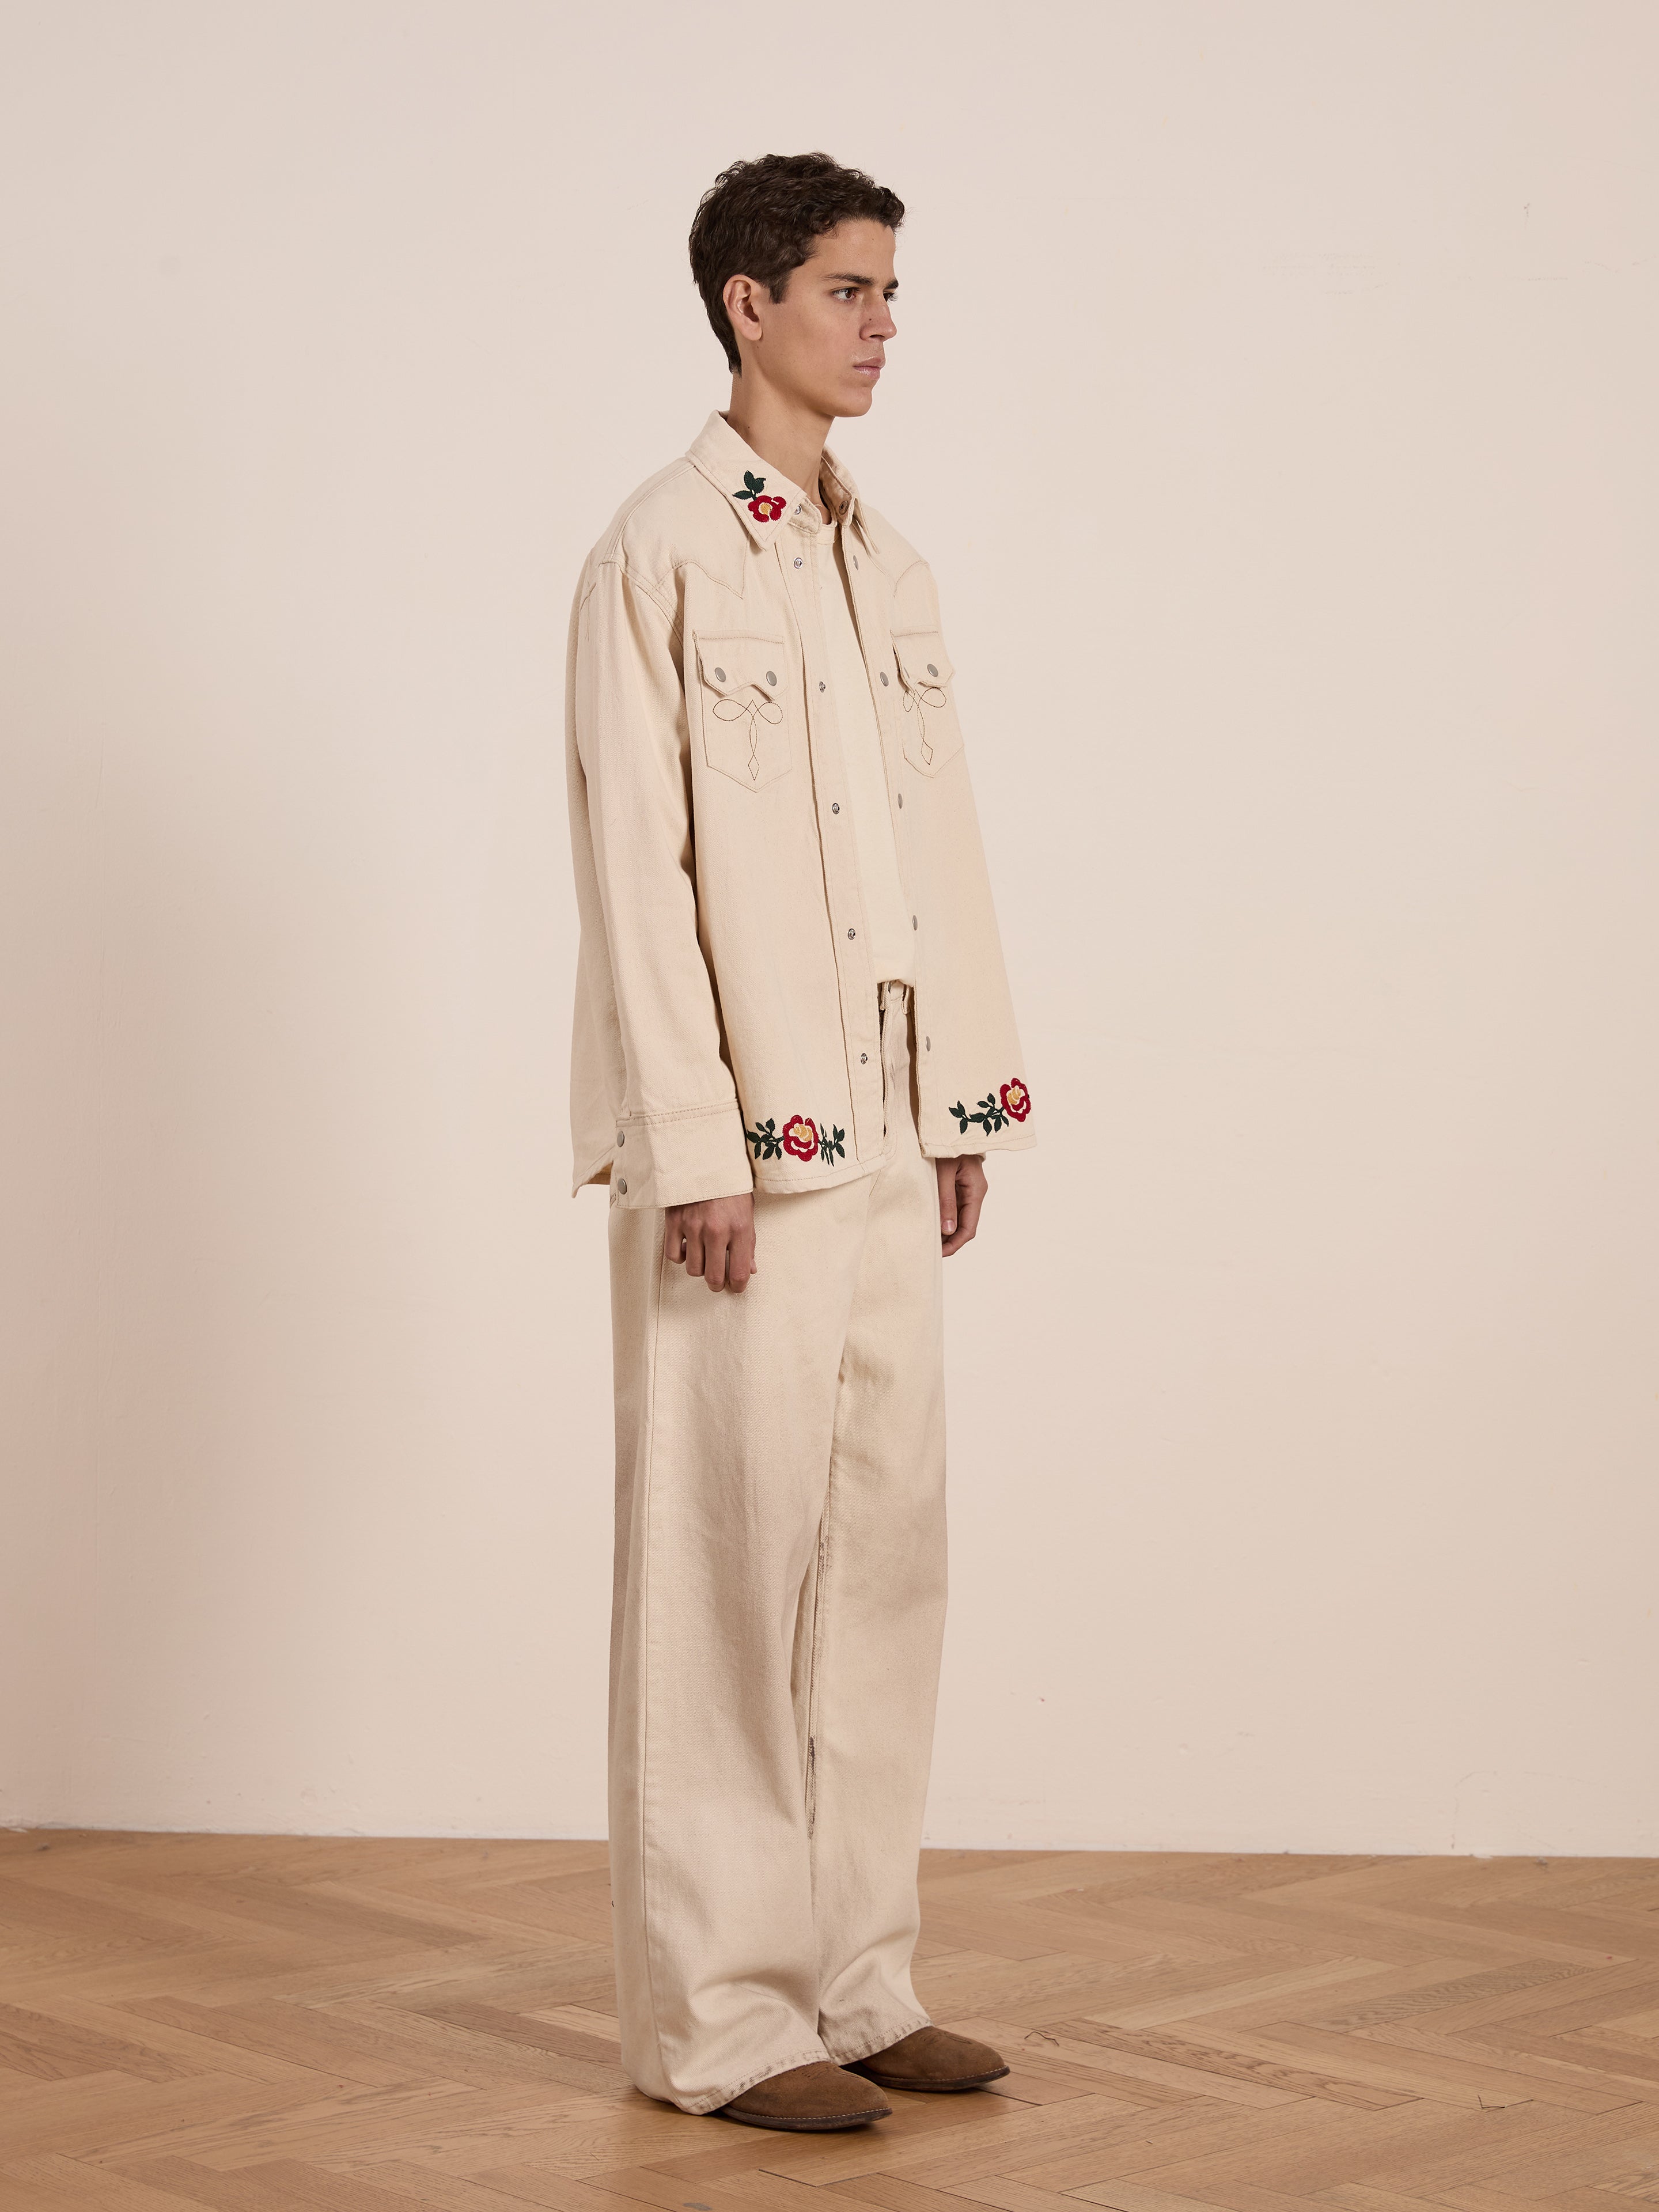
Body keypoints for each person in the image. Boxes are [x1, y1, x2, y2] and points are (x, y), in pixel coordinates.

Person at [564, 151, 1035, 2132]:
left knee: (885, 1564)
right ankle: (724, 2020)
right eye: (850, 289)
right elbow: (636, 870)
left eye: (891, 290)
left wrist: (964, 1102)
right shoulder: (656, 554)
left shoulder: (889, 568)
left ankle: (858, 1977)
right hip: (743, 1166)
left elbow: (935, 855)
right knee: (725, 1575)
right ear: (748, 303)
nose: (883, 323)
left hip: (886, 1147)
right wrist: (692, 1150)